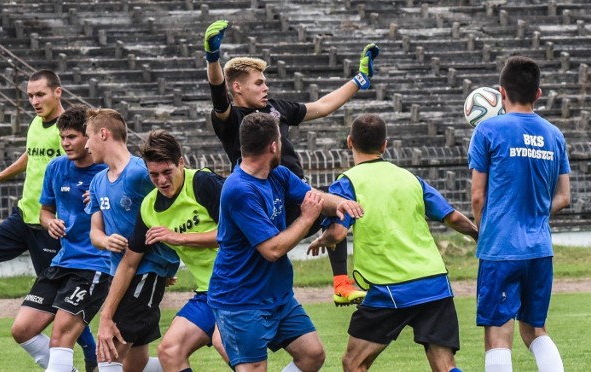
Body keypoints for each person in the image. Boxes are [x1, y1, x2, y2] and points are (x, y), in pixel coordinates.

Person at [204, 19, 380, 306]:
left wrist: (359, 80)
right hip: (262, 198)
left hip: (293, 190)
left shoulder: (277, 108)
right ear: (237, 87)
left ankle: (340, 284)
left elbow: (322, 106)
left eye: (265, 81)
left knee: (339, 213)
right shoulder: (230, 118)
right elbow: (216, 92)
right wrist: (213, 58)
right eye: (258, 82)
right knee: (266, 258)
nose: (265, 86)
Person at [308, 113, 479, 372]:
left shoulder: (348, 183)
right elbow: (453, 217)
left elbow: (338, 234)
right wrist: (480, 236)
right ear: (385, 145)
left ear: (349, 142)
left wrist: (321, 239)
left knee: (354, 363)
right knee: (445, 366)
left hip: (388, 287)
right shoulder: (410, 179)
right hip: (433, 281)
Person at [0, 70, 98, 369]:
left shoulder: (72, 132)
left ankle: (93, 357)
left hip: (51, 227)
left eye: (40, 94)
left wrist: (94, 195)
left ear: (58, 92)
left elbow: (98, 163)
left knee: (64, 304)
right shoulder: (36, 123)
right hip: (23, 215)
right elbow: (32, 154)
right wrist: (3, 174)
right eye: (30, 95)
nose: (33, 101)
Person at [208, 112, 364, 371]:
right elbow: (272, 249)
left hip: (277, 295)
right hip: (241, 300)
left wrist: (342, 203)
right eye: (280, 139)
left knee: (312, 355)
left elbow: (315, 197)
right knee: (254, 368)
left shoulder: (277, 173)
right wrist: (306, 218)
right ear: (273, 145)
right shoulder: (239, 190)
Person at [468, 56, 570, 372]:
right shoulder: (555, 135)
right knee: (535, 330)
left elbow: (477, 196)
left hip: (501, 249)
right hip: (540, 249)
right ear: (538, 93)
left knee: (499, 335)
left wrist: (482, 230)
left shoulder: (487, 130)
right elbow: (564, 198)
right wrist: (536, 210)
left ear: (501, 92)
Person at [96, 130, 229, 372]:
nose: (161, 181)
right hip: (209, 292)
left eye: (167, 172)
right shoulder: (149, 207)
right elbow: (129, 263)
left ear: (181, 162)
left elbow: (237, 235)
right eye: (153, 175)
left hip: (239, 285)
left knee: (230, 348)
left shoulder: (203, 183)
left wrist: (179, 238)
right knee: (169, 351)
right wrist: (106, 315)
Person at [10, 105, 110, 372]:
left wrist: (103, 203)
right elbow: (45, 211)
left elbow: (132, 215)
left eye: (72, 137)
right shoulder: (56, 168)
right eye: (62, 137)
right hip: (63, 260)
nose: (65, 143)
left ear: (88, 136)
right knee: (22, 329)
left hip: (94, 265)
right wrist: (50, 222)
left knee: (60, 338)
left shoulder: (109, 172)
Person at [83, 109, 163, 372]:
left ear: (103, 134)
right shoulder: (97, 181)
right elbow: (94, 233)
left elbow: (169, 209)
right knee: (135, 364)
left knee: (107, 356)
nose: (86, 145)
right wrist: (106, 241)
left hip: (143, 273)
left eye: (88, 137)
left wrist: (168, 260)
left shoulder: (141, 173)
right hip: (117, 274)